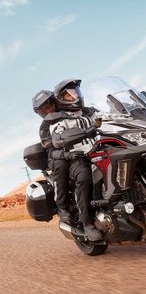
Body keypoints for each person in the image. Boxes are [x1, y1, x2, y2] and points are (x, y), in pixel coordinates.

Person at [48, 79, 103, 241]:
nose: (75, 97)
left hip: (101, 151)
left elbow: (109, 118)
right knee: (84, 176)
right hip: (78, 158)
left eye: (76, 93)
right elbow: (58, 139)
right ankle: (87, 224)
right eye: (69, 95)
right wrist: (84, 133)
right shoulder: (59, 121)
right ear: (61, 100)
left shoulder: (90, 113)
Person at [32, 90, 76, 225]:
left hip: (78, 150)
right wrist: (65, 154)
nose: (48, 109)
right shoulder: (45, 127)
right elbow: (51, 150)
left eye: (49, 104)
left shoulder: (70, 114)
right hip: (57, 156)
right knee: (61, 164)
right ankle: (62, 207)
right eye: (43, 109)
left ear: (55, 102)